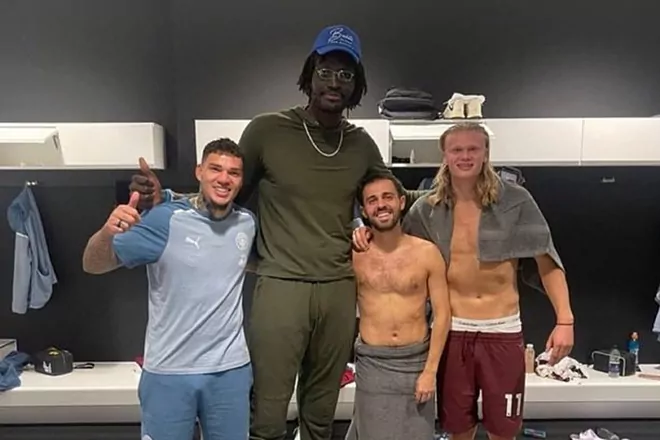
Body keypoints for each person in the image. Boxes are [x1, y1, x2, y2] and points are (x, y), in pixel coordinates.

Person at [128, 25, 426, 440]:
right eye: (325, 71)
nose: (334, 83)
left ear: (357, 84)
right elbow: (225, 191)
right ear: (309, 74)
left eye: (345, 75)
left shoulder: (360, 144)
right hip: (281, 287)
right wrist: (167, 199)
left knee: (321, 415)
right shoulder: (268, 130)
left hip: (339, 289)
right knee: (267, 415)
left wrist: (456, 189)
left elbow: (391, 198)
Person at [397, 122, 575, 440]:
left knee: (503, 430)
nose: (465, 156)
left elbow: (547, 260)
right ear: (445, 155)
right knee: (458, 428)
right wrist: (362, 234)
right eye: (457, 149)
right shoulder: (427, 210)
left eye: (473, 149)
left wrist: (565, 320)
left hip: (501, 330)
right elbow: (400, 252)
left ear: (486, 153)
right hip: (452, 332)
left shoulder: (516, 201)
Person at [82, 138, 256, 440]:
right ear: (199, 171)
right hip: (169, 372)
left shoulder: (247, 223)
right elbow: (92, 264)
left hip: (230, 371)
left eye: (234, 173)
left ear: (241, 180)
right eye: (215, 169)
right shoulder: (165, 219)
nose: (224, 179)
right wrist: (107, 233)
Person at [344, 171, 450, 440]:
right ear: (364, 211)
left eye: (387, 197)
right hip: (373, 365)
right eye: (372, 200)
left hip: (416, 364)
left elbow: (443, 315)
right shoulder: (354, 254)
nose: (381, 205)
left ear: (401, 202)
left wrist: (430, 371)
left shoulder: (427, 253)